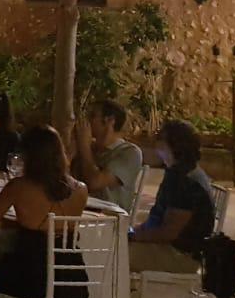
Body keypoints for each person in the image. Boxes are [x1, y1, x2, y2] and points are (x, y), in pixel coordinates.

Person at [0, 127, 91, 298]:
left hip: (33, 280)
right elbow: (55, 228)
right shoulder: (81, 190)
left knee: (4, 269)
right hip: (70, 281)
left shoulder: (19, 186)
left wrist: (19, 225)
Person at [130, 119, 217, 273]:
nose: (156, 143)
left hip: (181, 256)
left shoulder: (185, 181)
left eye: (160, 138)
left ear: (175, 145)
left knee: (114, 254)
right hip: (172, 249)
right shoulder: (179, 172)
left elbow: (169, 232)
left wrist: (134, 236)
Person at [70, 99, 146, 211]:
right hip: (81, 212)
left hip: (108, 217)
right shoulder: (88, 148)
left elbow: (95, 182)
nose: (87, 122)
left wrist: (84, 147)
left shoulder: (130, 152)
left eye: (92, 116)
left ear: (110, 121)